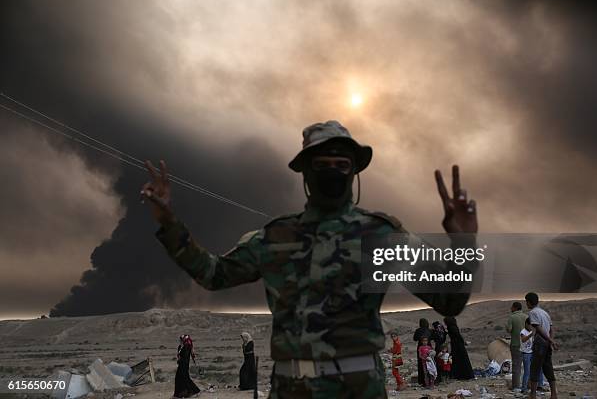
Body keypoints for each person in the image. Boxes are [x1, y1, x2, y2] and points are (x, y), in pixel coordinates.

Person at [143, 120, 479, 398]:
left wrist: (463, 242)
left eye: (341, 164)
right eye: (322, 164)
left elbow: (449, 300)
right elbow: (214, 274)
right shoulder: (275, 237)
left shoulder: (380, 235)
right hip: (292, 388)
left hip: (360, 388)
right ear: (305, 172)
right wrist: (169, 225)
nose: (332, 171)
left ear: (354, 172)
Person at [525, 292, 558, 399]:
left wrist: (549, 340)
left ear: (529, 302)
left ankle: (533, 395)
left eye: (526, 302)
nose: (526, 304)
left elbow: (538, 328)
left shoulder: (532, 312)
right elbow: (551, 329)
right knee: (548, 367)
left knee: (535, 368)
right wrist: (551, 340)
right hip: (547, 343)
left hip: (540, 343)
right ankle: (554, 394)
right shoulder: (545, 313)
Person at [506, 301, 528, 391]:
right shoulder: (526, 317)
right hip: (527, 345)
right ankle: (527, 385)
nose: (511, 309)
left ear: (515, 308)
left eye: (512, 307)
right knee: (527, 366)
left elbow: (509, 329)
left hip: (516, 344)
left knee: (516, 366)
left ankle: (516, 386)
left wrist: (507, 327)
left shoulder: (512, 317)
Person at [520, 318, 544, 394]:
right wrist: (530, 335)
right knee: (527, 371)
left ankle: (540, 386)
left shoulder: (531, 331)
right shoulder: (523, 332)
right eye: (530, 325)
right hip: (526, 354)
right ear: (526, 324)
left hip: (532, 352)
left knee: (538, 369)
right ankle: (524, 388)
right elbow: (523, 339)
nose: (531, 327)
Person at [413, 318, 432, 386]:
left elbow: (414, 338)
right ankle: (430, 380)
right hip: (429, 347)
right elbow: (432, 337)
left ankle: (422, 381)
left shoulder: (418, 330)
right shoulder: (429, 330)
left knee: (421, 364)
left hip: (420, 347)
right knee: (430, 364)